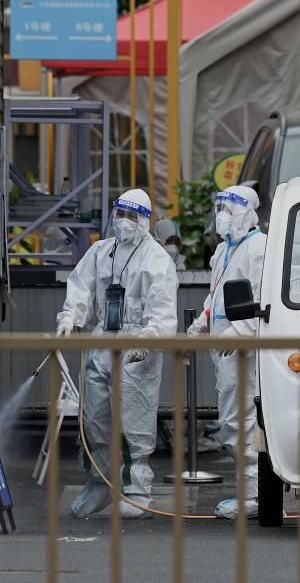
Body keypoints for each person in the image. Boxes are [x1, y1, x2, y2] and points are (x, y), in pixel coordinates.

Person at [56, 189, 179, 519]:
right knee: (95, 417)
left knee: (133, 418)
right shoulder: (101, 252)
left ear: (145, 221)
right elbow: (80, 286)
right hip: (101, 342)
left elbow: (163, 313)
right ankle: (100, 482)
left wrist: (147, 341)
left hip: (136, 347)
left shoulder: (156, 260)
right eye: (120, 213)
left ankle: (138, 490)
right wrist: (70, 316)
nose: (123, 222)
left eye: (131, 216)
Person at [187, 185, 266, 519]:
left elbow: (261, 304)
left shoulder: (258, 249)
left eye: (227, 209)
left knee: (243, 423)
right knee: (233, 423)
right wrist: (202, 321)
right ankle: (250, 492)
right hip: (225, 349)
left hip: (244, 350)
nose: (220, 215)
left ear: (247, 213)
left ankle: (256, 496)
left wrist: (235, 334)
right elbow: (216, 295)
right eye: (218, 208)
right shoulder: (223, 252)